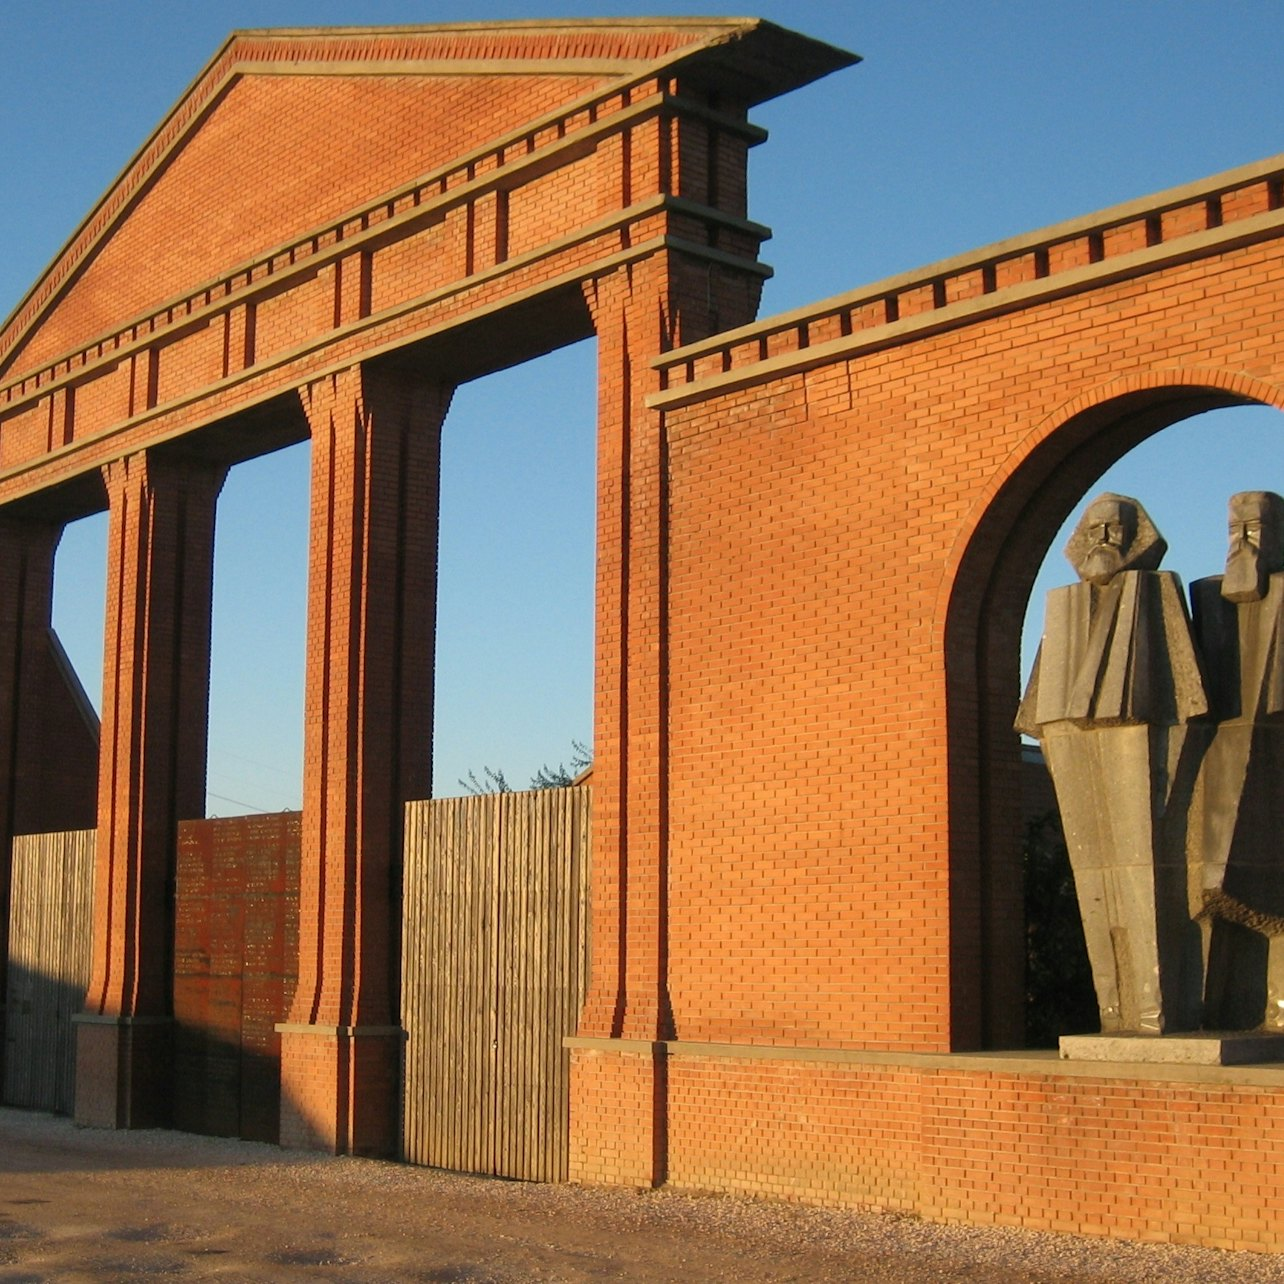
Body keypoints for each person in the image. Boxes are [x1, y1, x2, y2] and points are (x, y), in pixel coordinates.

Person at [1017, 493, 1207, 1034]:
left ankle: (1156, 1012)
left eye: (1115, 531)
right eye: (1095, 530)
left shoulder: (1156, 590)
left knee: (1147, 877)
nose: (1104, 542)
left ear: (1136, 536)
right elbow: (1036, 709)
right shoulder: (1065, 603)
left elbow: (1188, 697)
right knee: (1092, 879)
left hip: (1140, 732)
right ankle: (1113, 1012)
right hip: (1068, 734)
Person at [1189, 491, 1284, 1030]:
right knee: (1213, 893)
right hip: (1215, 766)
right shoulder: (1211, 601)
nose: (1243, 539)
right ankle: (1215, 1008)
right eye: (1235, 528)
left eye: (1256, 527)